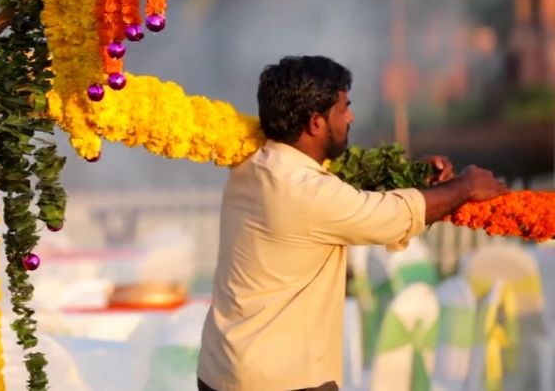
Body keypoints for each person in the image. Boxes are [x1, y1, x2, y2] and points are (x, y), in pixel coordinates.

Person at [196, 56, 508, 391]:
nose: (352, 117)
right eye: (344, 108)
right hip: (281, 382)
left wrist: (417, 175)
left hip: (220, 371)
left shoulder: (252, 165)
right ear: (316, 123)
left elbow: (342, 192)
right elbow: (393, 217)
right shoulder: (308, 193)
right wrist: (466, 186)